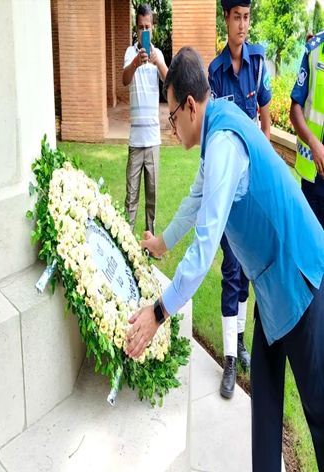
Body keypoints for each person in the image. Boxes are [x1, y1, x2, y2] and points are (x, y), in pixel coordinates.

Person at [132, 46, 324, 471]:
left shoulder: (222, 144)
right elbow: (195, 201)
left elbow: (204, 249)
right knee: (265, 401)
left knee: (319, 412)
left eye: (171, 117)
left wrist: (159, 312)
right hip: (273, 285)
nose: (171, 128)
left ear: (189, 105)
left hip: (299, 277)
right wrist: (161, 243)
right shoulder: (217, 125)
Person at [206, 0, 271, 398]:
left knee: (248, 269)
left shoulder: (258, 64)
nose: (243, 25)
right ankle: (230, 358)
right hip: (229, 191)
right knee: (231, 269)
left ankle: (243, 342)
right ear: (225, 20)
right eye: (236, 17)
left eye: (247, 18)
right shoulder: (214, 74)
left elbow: (265, 116)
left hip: (253, 191)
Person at [122, 3, 168, 235]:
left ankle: (149, 243)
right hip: (135, 141)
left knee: (152, 198)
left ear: (153, 27)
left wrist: (157, 62)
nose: (144, 31)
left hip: (153, 140)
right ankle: (126, 244)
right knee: (131, 198)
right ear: (136, 28)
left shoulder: (157, 54)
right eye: (140, 27)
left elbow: (169, 83)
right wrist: (136, 63)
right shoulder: (131, 54)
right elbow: (124, 80)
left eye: (147, 26)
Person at [290, 29, 324, 230]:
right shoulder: (315, 50)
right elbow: (295, 111)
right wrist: (314, 145)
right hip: (315, 180)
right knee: (312, 251)